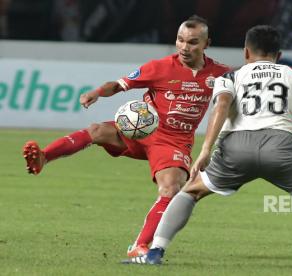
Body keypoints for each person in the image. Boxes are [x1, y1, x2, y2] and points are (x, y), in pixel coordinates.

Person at [123, 25, 292, 266]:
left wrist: (206, 150)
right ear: (280, 55)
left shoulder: (230, 76)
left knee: (190, 192)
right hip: (282, 147)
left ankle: (155, 251)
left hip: (235, 149)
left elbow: (221, 107)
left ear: (245, 52)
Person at [22, 15, 229, 257]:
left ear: (207, 44)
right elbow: (119, 84)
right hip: (140, 131)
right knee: (97, 130)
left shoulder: (221, 75)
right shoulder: (159, 67)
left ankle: (139, 246)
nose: (184, 47)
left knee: (171, 189)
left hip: (174, 142)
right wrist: (98, 92)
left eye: (192, 42)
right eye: (180, 40)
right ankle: (44, 158)